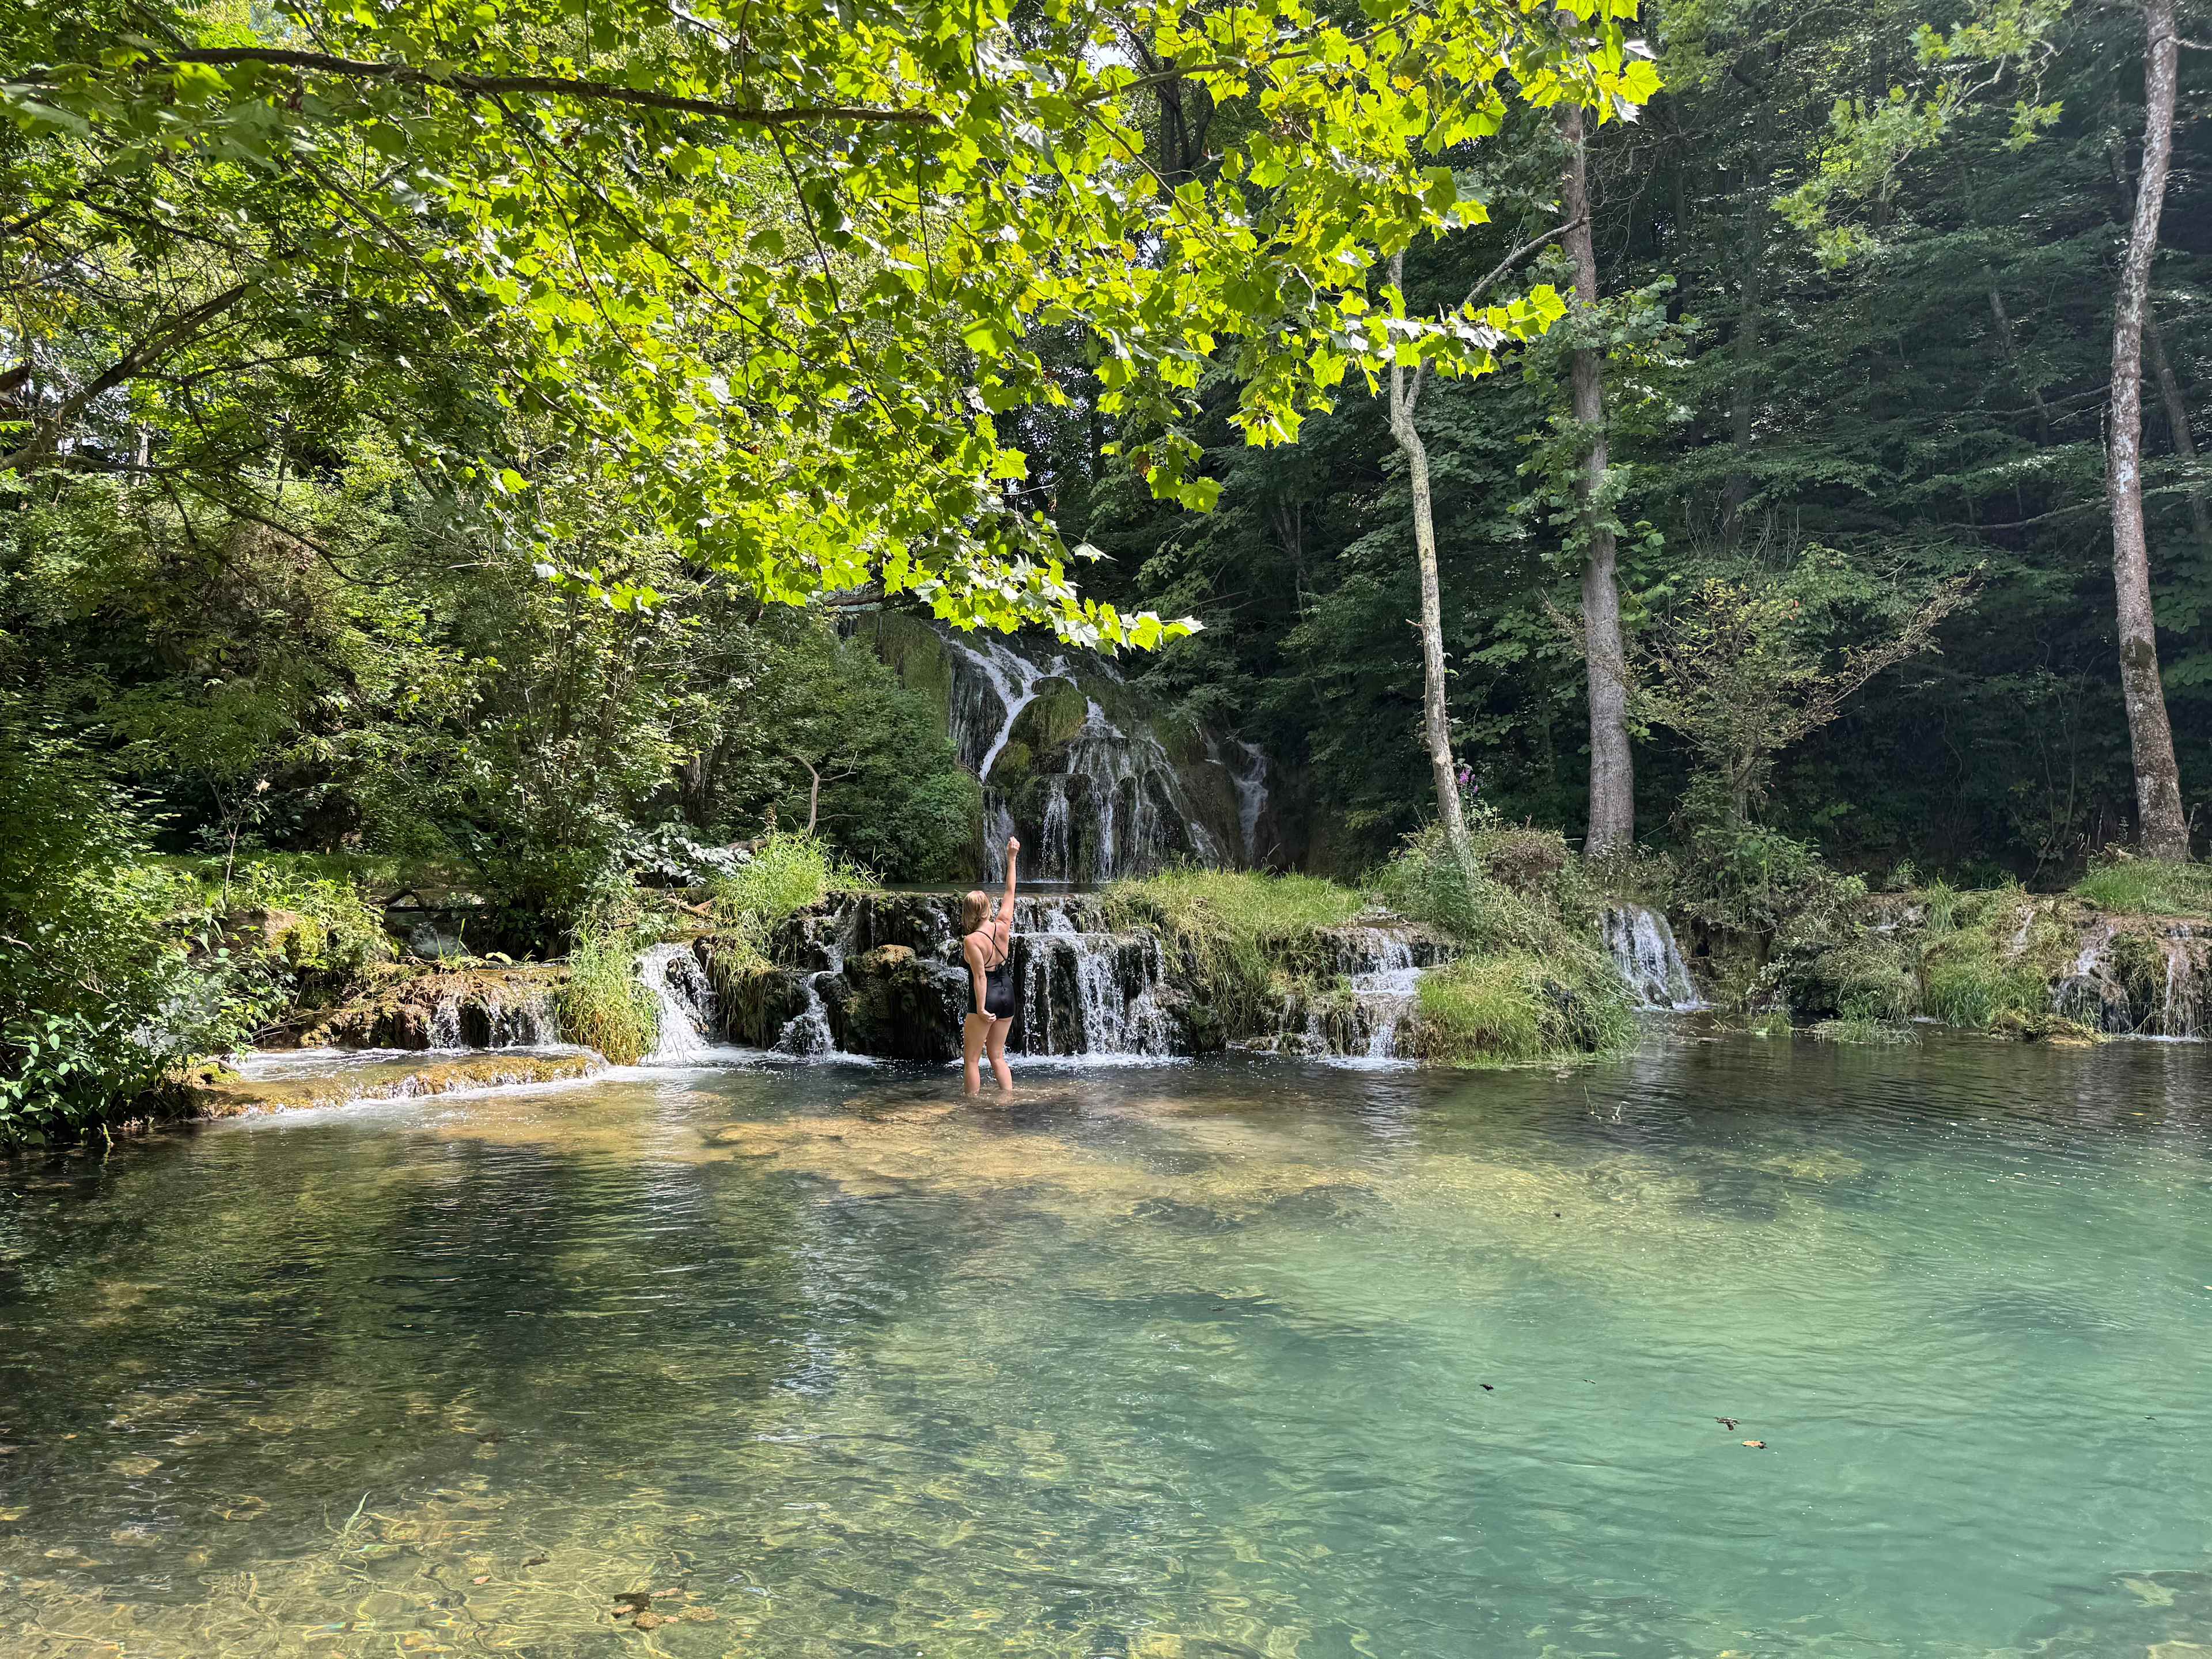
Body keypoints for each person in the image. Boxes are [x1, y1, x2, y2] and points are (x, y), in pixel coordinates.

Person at [960, 837, 1020, 1096]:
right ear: (987, 908)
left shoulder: (972, 940)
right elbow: (1010, 892)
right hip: (1008, 991)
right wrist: (1012, 858)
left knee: (972, 1059)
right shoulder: (1003, 925)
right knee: (997, 1055)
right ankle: (1008, 1098)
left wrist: (982, 1009)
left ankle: (971, 1105)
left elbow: (980, 977)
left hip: (988, 995)